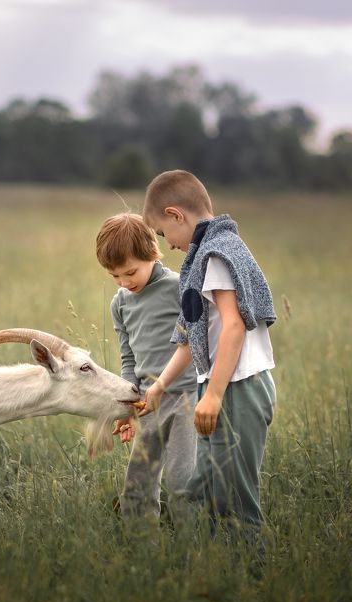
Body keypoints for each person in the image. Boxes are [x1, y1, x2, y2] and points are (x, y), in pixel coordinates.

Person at [138, 170, 277, 544]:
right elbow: (191, 333)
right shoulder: (203, 256)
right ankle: (220, 577)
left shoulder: (217, 254)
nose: (166, 246)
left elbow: (233, 326)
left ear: (176, 214)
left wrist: (213, 395)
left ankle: (254, 579)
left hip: (237, 387)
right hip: (219, 386)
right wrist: (160, 386)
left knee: (236, 500)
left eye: (164, 234)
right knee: (214, 496)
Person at [95, 212, 198, 519]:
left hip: (186, 398)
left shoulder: (179, 288)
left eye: (130, 272)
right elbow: (128, 358)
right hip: (146, 404)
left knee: (182, 482)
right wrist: (128, 406)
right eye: (114, 276)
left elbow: (198, 341)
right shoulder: (121, 303)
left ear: (153, 252)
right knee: (138, 484)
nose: (124, 283)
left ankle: (193, 551)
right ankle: (143, 550)